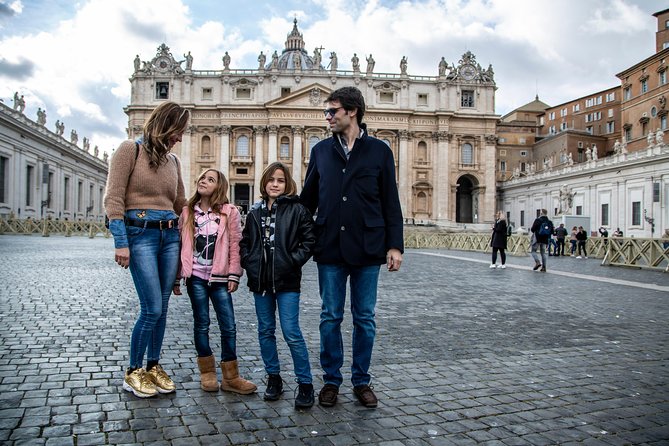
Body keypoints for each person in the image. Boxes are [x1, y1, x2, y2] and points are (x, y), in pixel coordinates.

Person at [301, 86, 404, 409]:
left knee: (365, 318)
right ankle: (331, 379)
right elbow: (308, 200)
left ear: (352, 111)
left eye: (332, 111)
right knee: (330, 316)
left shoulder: (379, 150)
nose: (327, 117)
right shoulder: (320, 151)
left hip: (368, 246)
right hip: (329, 244)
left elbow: (390, 201)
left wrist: (395, 246)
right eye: (326, 112)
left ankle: (361, 380)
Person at [104, 101, 189, 398]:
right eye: (177, 132)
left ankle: (153, 366)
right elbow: (113, 198)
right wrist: (121, 242)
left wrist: (212, 210)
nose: (179, 138)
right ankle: (133, 371)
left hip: (169, 238)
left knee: (162, 308)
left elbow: (180, 203)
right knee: (151, 307)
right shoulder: (130, 150)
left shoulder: (174, 162)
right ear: (164, 125)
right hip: (139, 235)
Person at [174, 169, 257, 395]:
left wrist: (234, 274)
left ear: (219, 187)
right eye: (202, 177)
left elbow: (234, 244)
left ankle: (231, 377)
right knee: (201, 324)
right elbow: (180, 246)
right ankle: (207, 373)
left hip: (220, 279)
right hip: (196, 279)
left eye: (211, 179)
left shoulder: (230, 212)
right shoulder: (187, 212)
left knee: (228, 326)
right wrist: (177, 277)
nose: (204, 181)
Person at [240, 162, 316, 409]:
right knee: (265, 331)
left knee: (291, 332)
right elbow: (245, 242)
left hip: (287, 281)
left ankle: (305, 383)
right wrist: (249, 262)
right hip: (260, 282)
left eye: (280, 180)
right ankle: (274, 378)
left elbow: (309, 240)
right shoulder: (253, 212)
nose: (275, 184)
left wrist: (291, 262)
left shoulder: (298, 210)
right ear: (264, 182)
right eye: (271, 179)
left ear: (288, 184)